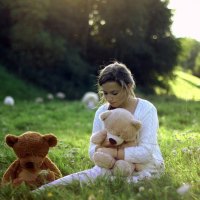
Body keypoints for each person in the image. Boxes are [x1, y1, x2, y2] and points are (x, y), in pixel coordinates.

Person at [34, 61, 164, 192]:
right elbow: (92, 149)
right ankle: (40, 192)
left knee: (120, 184)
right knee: (87, 177)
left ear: (129, 87)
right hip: (110, 164)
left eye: (114, 93)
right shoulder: (102, 112)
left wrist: (116, 152)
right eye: (105, 93)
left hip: (144, 167)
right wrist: (103, 154)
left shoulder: (147, 109)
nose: (109, 98)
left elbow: (147, 151)